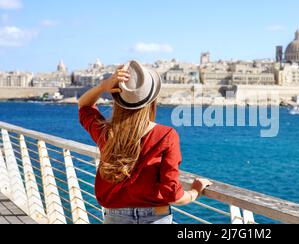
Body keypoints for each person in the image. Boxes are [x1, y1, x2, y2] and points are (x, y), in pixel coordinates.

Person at [78, 60, 212, 224]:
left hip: (115, 218)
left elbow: (84, 106)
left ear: (118, 98)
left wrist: (103, 86)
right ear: (152, 100)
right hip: (156, 217)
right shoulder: (166, 135)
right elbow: (172, 194)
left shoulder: (106, 133)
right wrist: (194, 192)